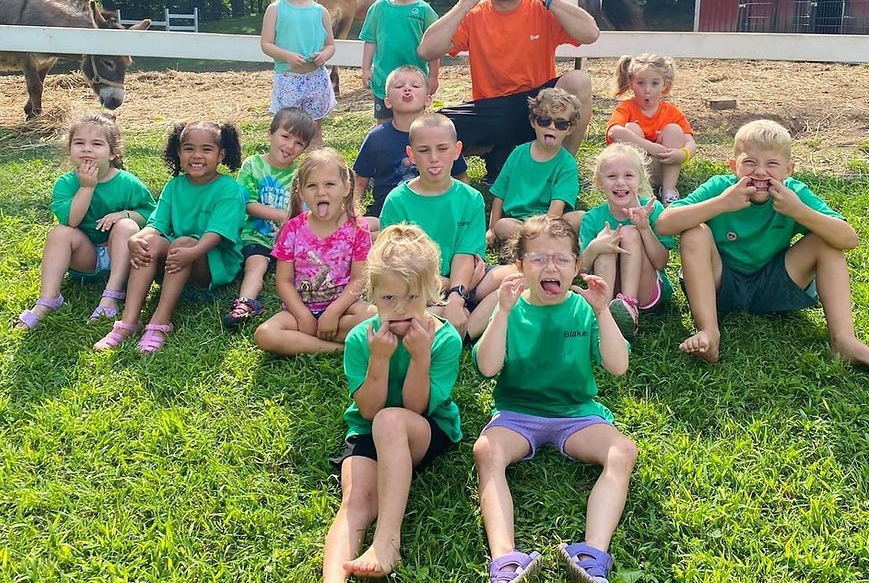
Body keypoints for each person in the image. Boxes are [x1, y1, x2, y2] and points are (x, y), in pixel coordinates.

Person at [471, 216, 637, 583]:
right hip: (517, 414)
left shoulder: (584, 308)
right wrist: (501, 311)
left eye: (562, 259)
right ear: (519, 267)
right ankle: (505, 562)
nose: (551, 267)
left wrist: (602, 310)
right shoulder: (511, 309)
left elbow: (617, 366)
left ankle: (593, 555)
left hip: (576, 415)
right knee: (487, 452)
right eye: (538, 259)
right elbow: (487, 367)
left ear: (577, 266)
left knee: (622, 451)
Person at [654, 119, 869, 368]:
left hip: (774, 285)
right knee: (694, 232)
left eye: (772, 164)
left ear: (789, 169)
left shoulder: (794, 193)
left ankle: (844, 341)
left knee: (826, 242)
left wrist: (799, 211)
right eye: (750, 162)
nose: (760, 172)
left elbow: (848, 239)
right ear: (733, 166)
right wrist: (721, 204)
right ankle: (709, 333)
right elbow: (664, 224)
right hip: (719, 285)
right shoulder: (720, 188)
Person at [322, 224, 463, 582]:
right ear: (373, 296)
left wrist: (420, 356)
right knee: (355, 503)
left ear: (431, 293)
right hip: (369, 426)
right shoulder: (360, 339)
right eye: (388, 299)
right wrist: (380, 359)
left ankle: (387, 542)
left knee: (391, 420)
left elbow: (416, 409)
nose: (399, 309)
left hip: (424, 429)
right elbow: (368, 411)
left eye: (412, 298)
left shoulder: (443, 340)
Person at [417, 0, 599, 182]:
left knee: (578, 81)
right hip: (492, 110)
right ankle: (492, 156)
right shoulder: (474, 16)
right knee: (435, 126)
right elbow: (426, 50)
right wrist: (463, 4)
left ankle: (561, 169)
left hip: (539, 108)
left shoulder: (541, 8)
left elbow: (590, 33)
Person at [94, 121, 246, 354]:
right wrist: (137, 238)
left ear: (221, 155)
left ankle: (160, 322)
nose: (197, 155)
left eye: (206, 149)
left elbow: (216, 233)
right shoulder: (174, 186)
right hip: (177, 256)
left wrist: (192, 252)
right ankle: (128, 322)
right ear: (178, 152)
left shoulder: (228, 188)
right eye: (189, 148)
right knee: (149, 242)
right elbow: (156, 224)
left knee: (183, 242)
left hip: (212, 263)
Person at [15, 113, 155, 330]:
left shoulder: (128, 183)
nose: (87, 149)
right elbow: (72, 221)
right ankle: (49, 299)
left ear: (112, 153)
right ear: (69, 150)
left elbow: (150, 214)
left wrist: (124, 215)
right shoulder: (66, 183)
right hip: (85, 258)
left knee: (127, 226)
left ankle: (112, 294)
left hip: (120, 255)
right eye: (79, 143)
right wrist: (87, 187)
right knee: (59, 232)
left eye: (97, 144)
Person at [253, 148, 375, 356]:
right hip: (300, 310)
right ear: (301, 192)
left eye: (329, 184)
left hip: (344, 308)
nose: (321, 192)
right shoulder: (292, 229)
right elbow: (283, 281)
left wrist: (334, 313)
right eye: (312, 186)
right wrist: (303, 316)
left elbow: (358, 279)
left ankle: (309, 341)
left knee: (375, 317)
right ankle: (337, 348)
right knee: (265, 334)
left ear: (346, 187)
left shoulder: (358, 229)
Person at [379, 114, 486, 334]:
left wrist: (456, 296)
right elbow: (395, 266)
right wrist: (447, 285)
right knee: (391, 302)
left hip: (460, 281)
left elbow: (465, 255)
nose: (434, 158)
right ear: (411, 155)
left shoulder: (471, 198)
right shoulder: (397, 201)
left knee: (511, 278)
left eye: (442, 149)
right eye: (424, 150)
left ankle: (449, 317)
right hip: (415, 288)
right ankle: (458, 323)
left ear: (457, 150)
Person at [223, 107, 316, 327]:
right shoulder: (253, 165)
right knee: (256, 264)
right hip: (257, 235)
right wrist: (284, 216)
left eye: (299, 143)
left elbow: (307, 211)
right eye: (285, 136)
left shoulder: (301, 173)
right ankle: (246, 303)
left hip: (293, 241)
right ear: (271, 133)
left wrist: (293, 224)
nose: (290, 146)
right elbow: (247, 204)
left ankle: (321, 300)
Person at [579, 143, 675, 343]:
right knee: (605, 244)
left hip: (646, 289)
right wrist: (595, 247)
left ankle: (629, 309)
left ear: (640, 179)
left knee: (630, 232)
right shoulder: (592, 217)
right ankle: (604, 313)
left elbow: (661, 262)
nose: (620, 183)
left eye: (628, 176)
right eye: (612, 176)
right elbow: (581, 269)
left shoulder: (653, 209)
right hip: (609, 289)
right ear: (599, 182)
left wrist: (644, 228)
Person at [354, 65, 468, 232]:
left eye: (415, 86)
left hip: (432, 209)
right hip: (386, 214)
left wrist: (458, 207)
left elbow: (461, 177)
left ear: (428, 99)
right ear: (387, 102)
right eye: (399, 86)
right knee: (359, 230)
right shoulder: (376, 138)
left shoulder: (441, 134)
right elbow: (359, 182)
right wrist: (353, 213)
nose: (407, 89)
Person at [260, 0, 336, 147]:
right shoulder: (275, 10)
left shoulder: (320, 12)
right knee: (288, 130)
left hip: (316, 79)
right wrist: (287, 56)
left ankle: (314, 169)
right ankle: (285, 168)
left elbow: (330, 45)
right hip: (288, 79)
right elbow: (266, 44)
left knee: (314, 130)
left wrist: (323, 56)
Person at [487, 87, 583, 246]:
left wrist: (544, 230)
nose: (551, 127)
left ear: (569, 129)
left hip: (552, 222)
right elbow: (499, 194)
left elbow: (556, 211)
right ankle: (544, 244)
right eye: (545, 121)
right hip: (518, 220)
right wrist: (492, 228)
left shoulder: (566, 164)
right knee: (503, 226)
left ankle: (530, 244)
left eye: (560, 123)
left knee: (581, 217)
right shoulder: (518, 153)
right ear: (533, 122)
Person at [360, 0, 440, 122]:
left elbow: (435, 47)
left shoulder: (425, 11)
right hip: (383, 81)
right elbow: (371, 41)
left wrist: (434, 76)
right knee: (384, 124)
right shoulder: (378, 8)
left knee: (415, 125)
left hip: (415, 83)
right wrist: (365, 69)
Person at [606, 53, 697, 205]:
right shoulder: (625, 108)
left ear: (665, 85)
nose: (647, 90)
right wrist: (653, 148)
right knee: (630, 128)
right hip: (633, 170)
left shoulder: (672, 112)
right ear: (631, 82)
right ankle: (641, 191)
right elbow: (614, 132)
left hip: (664, 167)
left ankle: (668, 191)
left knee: (674, 130)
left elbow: (691, 143)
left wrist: (683, 154)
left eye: (655, 83)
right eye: (641, 83)